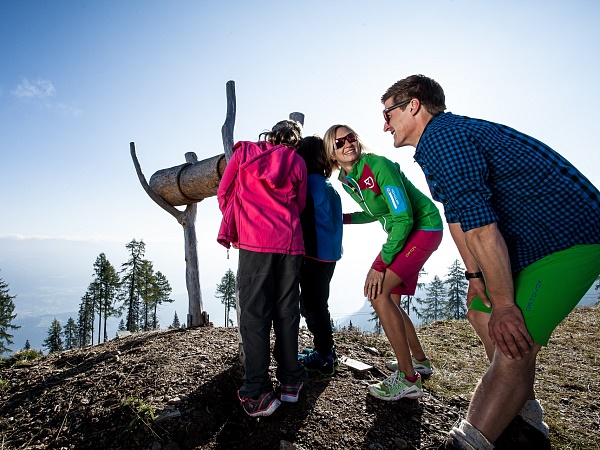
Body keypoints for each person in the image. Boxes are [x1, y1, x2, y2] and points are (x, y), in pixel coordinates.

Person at [380, 74, 600, 449]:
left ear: (413, 105)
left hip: (570, 239)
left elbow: (482, 228)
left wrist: (507, 305)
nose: (385, 124)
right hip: (535, 242)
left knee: (513, 338)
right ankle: (525, 424)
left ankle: (468, 442)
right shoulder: (436, 143)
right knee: (482, 312)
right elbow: (458, 219)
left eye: (388, 113)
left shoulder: (444, 138)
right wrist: (475, 276)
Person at [323, 124, 444, 400]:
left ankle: (408, 379)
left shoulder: (378, 165)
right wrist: (345, 219)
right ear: (332, 153)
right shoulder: (348, 180)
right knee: (392, 301)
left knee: (378, 294)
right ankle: (420, 363)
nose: (347, 144)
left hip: (422, 229)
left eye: (350, 137)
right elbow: (375, 211)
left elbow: (403, 217)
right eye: (339, 143)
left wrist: (379, 264)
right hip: (407, 233)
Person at [217, 119, 308, 417]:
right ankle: (291, 382)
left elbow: (224, 192)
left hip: (256, 242)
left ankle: (256, 392)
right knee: (286, 311)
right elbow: (301, 204)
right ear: (295, 140)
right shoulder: (297, 162)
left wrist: (243, 219)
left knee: (255, 315)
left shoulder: (244, 153)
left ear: (269, 134)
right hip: (290, 242)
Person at [296, 136, 343, 376]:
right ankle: (324, 350)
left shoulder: (309, 184)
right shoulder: (326, 183)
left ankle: (325, 355)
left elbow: (301, 217)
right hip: (329, 255)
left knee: (313, 308)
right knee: (317, 305)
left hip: (314, 256)